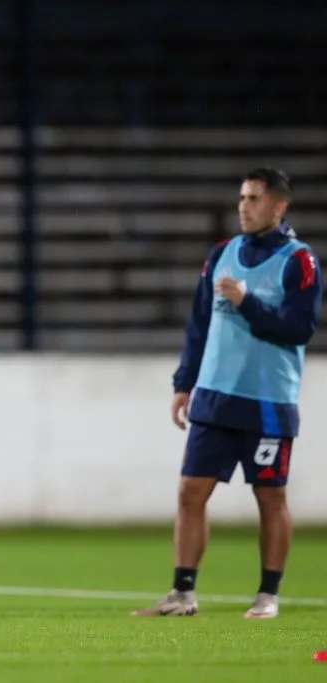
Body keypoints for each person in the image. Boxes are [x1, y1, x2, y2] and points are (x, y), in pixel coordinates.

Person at [133, 168, 322, 619]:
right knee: (189, 494)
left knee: (270, 498)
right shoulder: (222, 254)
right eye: (241, 197)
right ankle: (182, 594)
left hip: (268, 401)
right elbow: (199, 324)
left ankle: (268, 595)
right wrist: (184, 384)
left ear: (279, 206)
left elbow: (300, 327)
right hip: (215, 397)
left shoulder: (300, 261)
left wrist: (246, 302)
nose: (244, 205)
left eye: (254, 198)